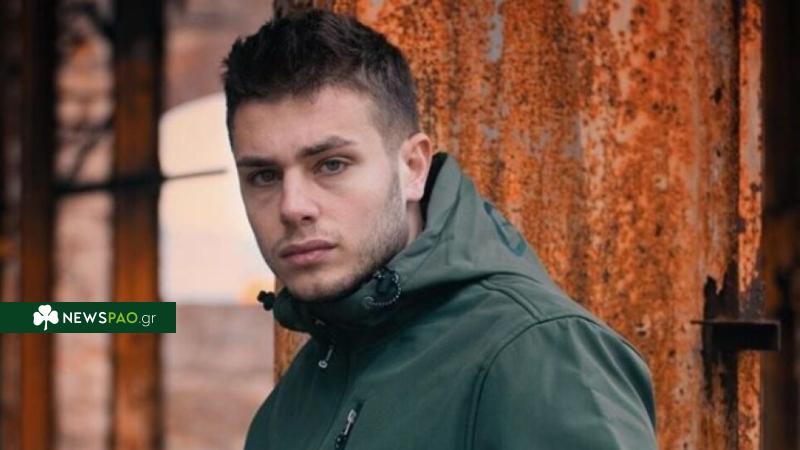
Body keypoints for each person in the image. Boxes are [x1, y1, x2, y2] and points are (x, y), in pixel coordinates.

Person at [223, 9, 657, 450]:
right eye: (264, 176)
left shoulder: (535, 354)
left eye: (331, 165)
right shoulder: (292, 401)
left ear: (413, 168)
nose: (293, 206)